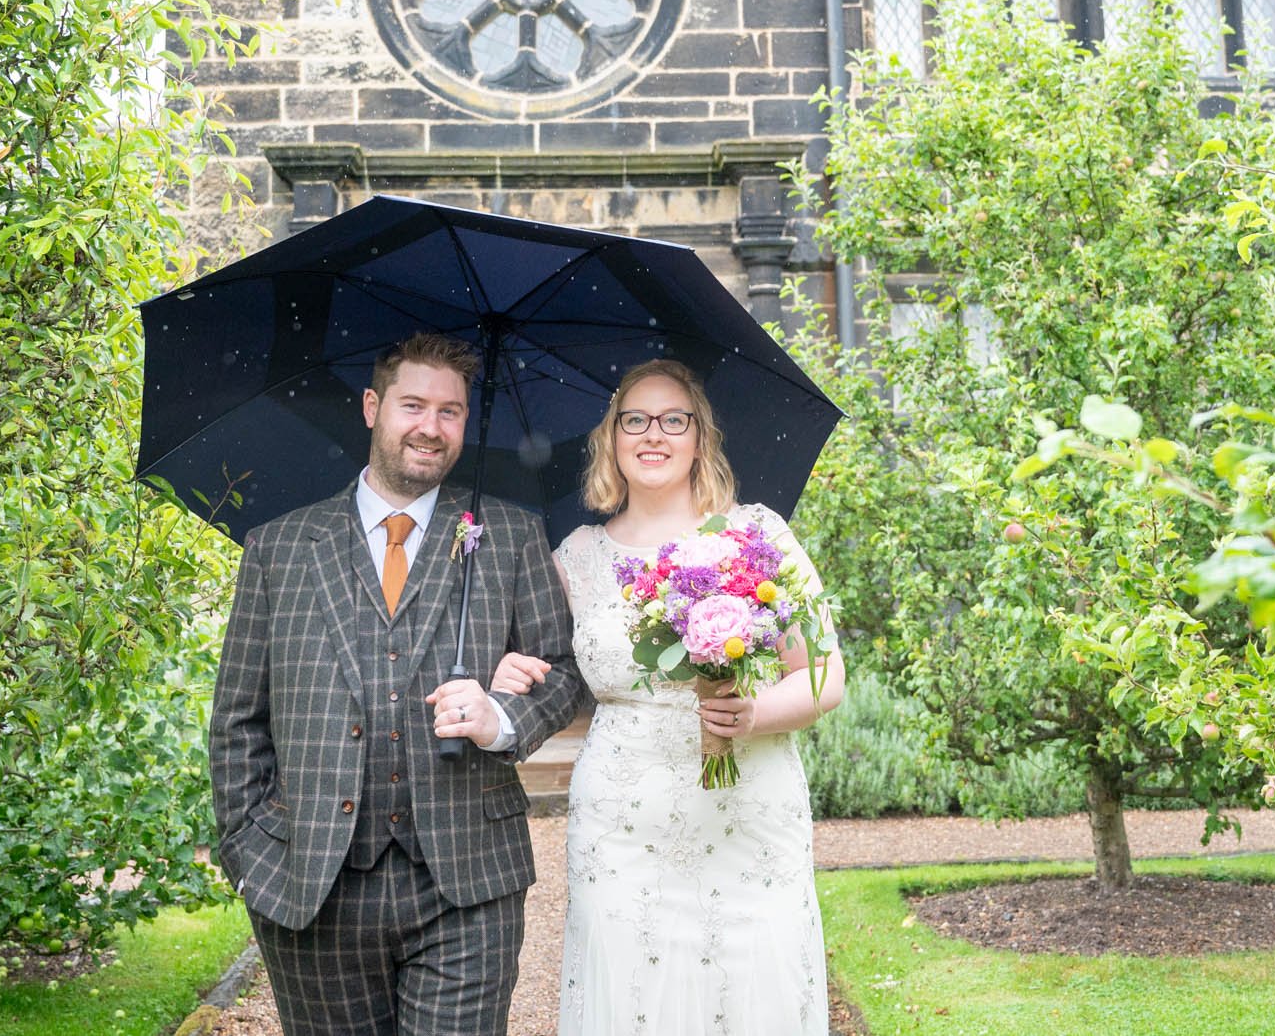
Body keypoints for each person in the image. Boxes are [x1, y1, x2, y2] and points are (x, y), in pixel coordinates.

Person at [208, 332, 591, 1036]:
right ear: (371, 406)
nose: (431, 426)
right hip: (311, 883)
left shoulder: (507, 535)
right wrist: (250, 853)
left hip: (468, 880)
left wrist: (501, 717)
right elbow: (238, 720)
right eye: (413, 404)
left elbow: (566, 673)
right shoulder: (280, 546)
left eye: (451, 411)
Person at [491, 358, 846, 1036]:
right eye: (635, 419)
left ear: (699, 436)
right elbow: (552, 667)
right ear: (611, 438)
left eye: (673, 419)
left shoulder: (759, 535)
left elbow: (828, 675)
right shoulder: (576, 556)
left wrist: (754, 713)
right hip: (623, 827)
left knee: (749, 988)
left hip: (748, 814)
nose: (654, 434)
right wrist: (511, 665)